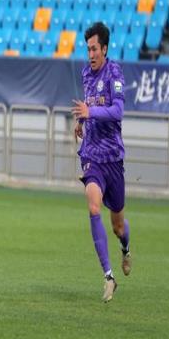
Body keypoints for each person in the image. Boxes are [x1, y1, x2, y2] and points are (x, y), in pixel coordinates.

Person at [71, 22, 132, 303]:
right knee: (93, 205)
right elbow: (89, 106)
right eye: (88, 49)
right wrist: (81, 122)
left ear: (105, 49)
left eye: (95, 49)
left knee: (118, 225)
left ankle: (125, 248)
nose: (91, 54)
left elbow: (117, 111)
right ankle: (108, 277)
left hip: (113, 158)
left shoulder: (114, 73)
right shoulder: (86, 73)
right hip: (92, 155)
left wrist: (90, 112)